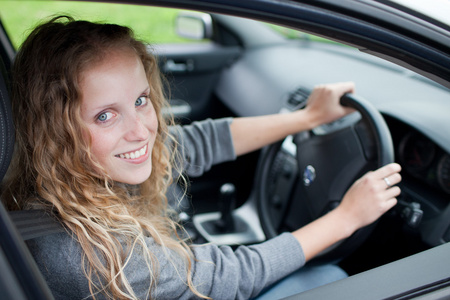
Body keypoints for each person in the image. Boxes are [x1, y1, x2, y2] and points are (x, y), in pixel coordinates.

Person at [1, 16, 401, 300]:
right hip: (201, 281)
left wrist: (307, 118)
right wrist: (346, 218)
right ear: (56, 132)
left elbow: (197, 140)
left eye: (141, 101)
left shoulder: (73, 170)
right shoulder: (87, 253)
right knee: (331, 276)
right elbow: (232, 277)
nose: (141, 130)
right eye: (105, 115)